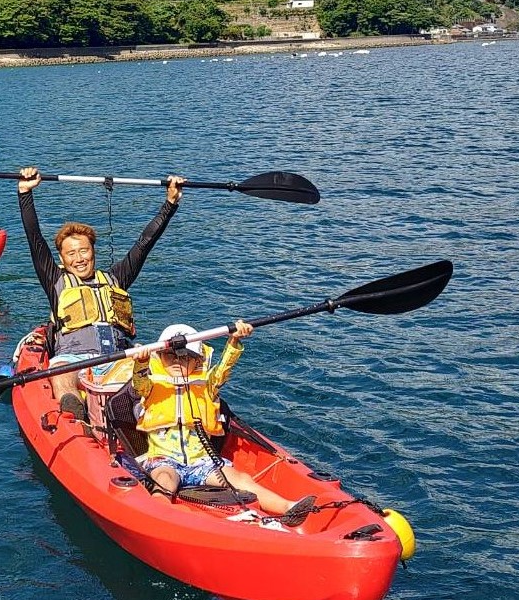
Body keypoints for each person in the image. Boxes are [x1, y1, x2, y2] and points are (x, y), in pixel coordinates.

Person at [18, 166, 183, 422]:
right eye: (71, 254)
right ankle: (73, 412)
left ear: (93, 251)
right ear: (62, 258)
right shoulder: (56, 280)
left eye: (83, 251)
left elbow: (144, 244)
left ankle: (154, 419)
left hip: (119, 357)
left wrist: (170, 204)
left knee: (152, 374)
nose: (79, 258)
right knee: (61, 373)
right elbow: (35, 239)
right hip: (73, 360)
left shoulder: (116, 278)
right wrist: (25, 193)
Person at [125, 322, 314, 524]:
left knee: (241, 480)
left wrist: (234, 341)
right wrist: (142, 361)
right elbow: (139, 382)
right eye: (170, 355)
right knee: (164, 481)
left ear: (197, 361)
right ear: (160, 357)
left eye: (186, 357)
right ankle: (163, 517)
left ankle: (288, 508)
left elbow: (224, 369)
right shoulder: (151, 387)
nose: (177, 360)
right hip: (165, 460)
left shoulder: (208, 385)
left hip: (203, 462)